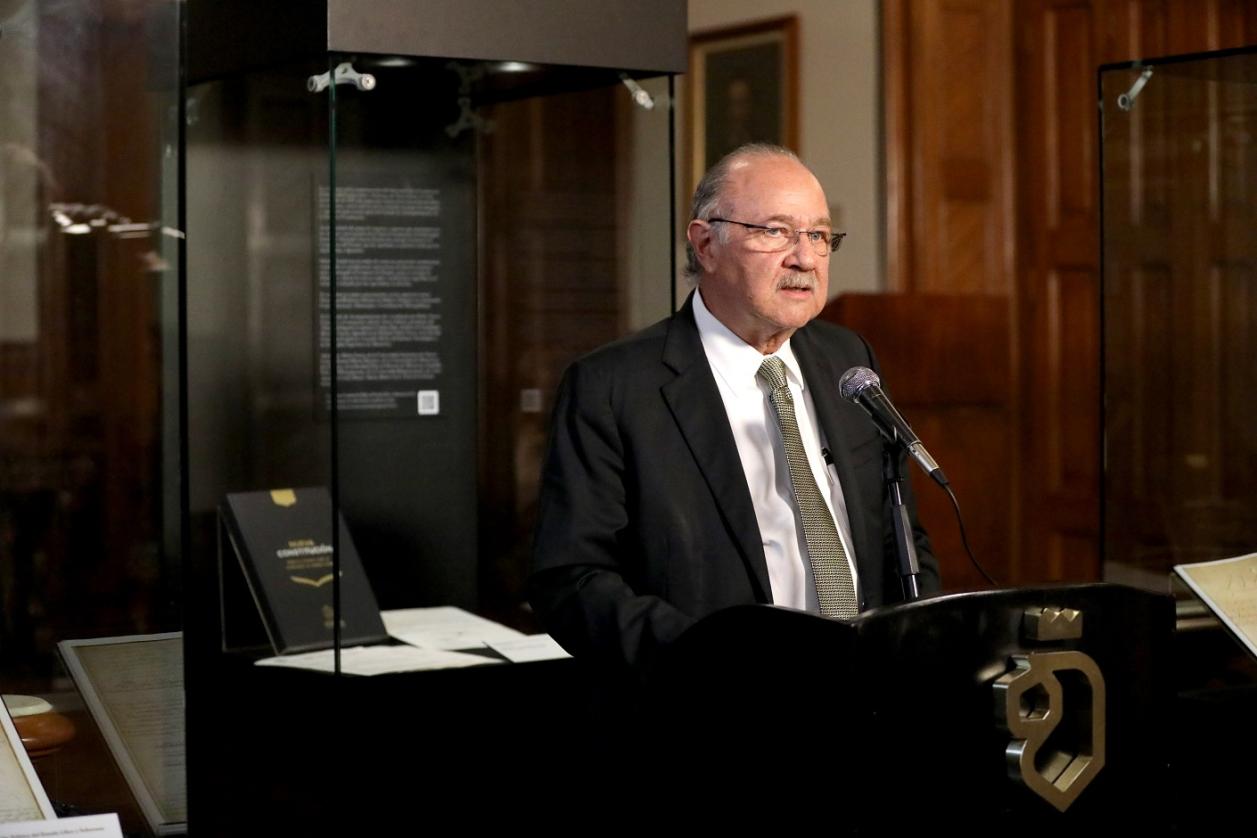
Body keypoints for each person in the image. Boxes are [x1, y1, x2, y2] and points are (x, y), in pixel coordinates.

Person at [528, 144, 939, 683]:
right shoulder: (613, 386)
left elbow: (900, 536)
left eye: (819, 235)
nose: (805, 259)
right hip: (706, 705)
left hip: (860, 697)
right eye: (776, 232)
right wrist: (714, 667)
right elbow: (573, 580)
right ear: (706, 245)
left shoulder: (848, 359)